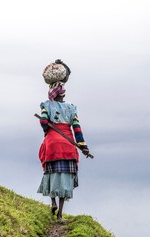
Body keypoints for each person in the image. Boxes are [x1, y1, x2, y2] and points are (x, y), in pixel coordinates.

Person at [37, 59, 89, 220]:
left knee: (50, 173)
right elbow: (77, 130)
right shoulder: (71, 109)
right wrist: (83, 147)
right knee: (65, 178)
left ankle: (51, 201)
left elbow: (44, 122)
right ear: (63, 93)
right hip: (67, 146)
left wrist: (48, 128)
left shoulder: (46, 106)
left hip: (52, 144)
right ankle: (59, 214)